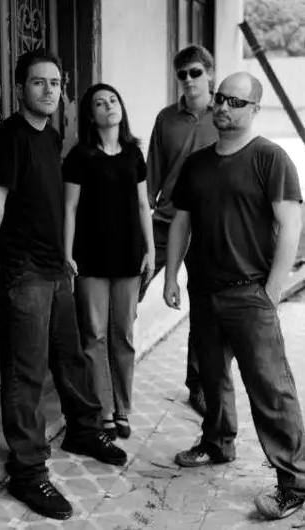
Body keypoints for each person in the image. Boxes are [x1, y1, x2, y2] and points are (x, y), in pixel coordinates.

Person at [164, 71, 305, 520]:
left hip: (250, 294)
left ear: (255, 109)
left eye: (235, 101)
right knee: (212, 378)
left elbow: (290, 224)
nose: (223, 106)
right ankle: (217, 443)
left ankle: (295, 481)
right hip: (204, 291)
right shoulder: (197, 164)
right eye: (221, 98)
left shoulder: (270, 158)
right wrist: (171, 277)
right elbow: (181, 222)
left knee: (270, 388)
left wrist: (273, 290)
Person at [0, 50, 127, 521]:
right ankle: (28, 470)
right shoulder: (9, 136)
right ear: (19, 89)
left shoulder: (52, 137)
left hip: (55, 266)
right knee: (26, 372)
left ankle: (84, 429)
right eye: (38, 82)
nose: (49, 90)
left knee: (70, 356)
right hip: (24, 269)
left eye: (55, 83)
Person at [63, 83, 154, 440]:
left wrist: (150, 250)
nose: (109, 106)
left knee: (123, 335)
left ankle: (123, 408)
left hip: (129, 256)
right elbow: (70, 208)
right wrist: (67, 253)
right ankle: (104, 410)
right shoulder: (80, 156)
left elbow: (144, 205)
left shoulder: (133, 154)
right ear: (91, 115)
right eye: (100, 103)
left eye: (113, 100)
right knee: (94, 335)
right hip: (91, 257)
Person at [141, 44, 220, 416]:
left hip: (208, 226)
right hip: (166, 220)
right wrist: (140, 221)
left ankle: (198, 385)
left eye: (195, 72)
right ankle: (109, 375)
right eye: (182, 74)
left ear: (210, 73)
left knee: (204, 306)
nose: (189, 80)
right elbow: (151, 176)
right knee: (130, 285)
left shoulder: (224, 114)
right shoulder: (166, 119)